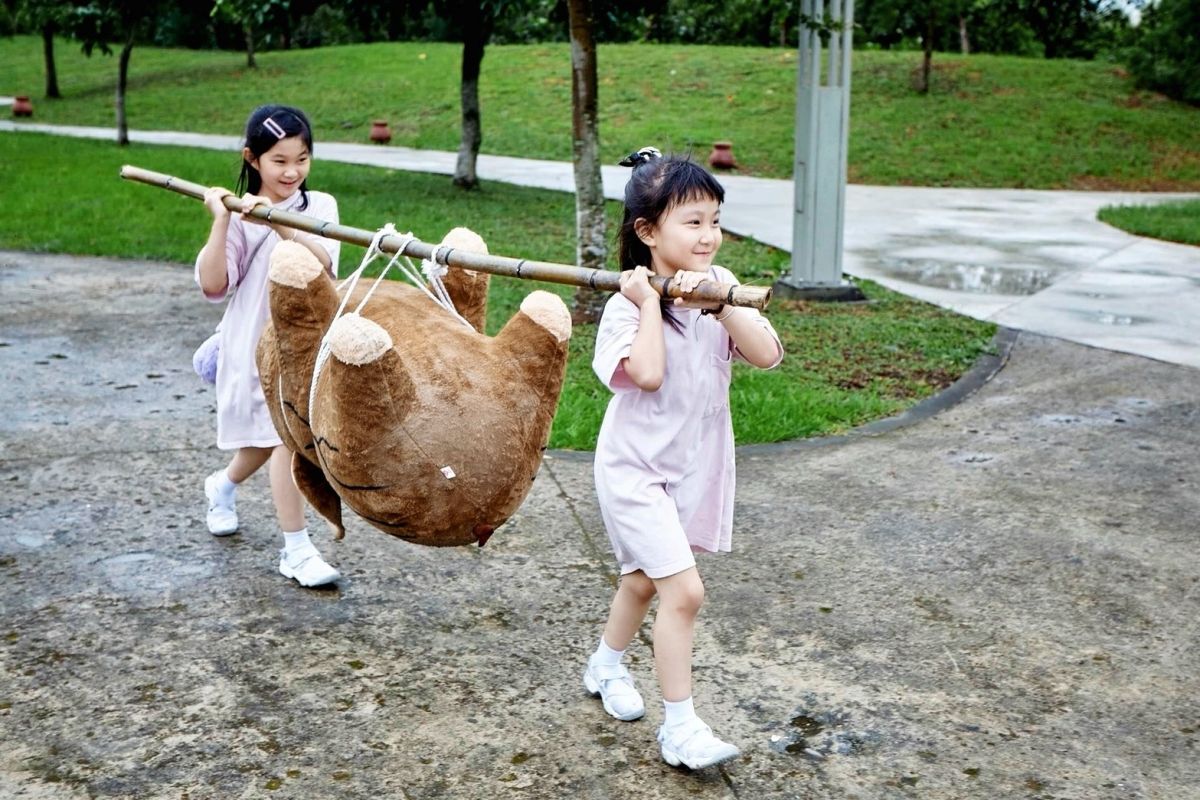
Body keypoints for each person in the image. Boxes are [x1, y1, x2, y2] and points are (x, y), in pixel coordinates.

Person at [584, 147, 784, 770]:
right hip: (635, 471)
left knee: (644, 580)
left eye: (714, 220)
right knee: (685, 593)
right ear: (647, 232)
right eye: (692, 222)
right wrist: (650, 304)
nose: (709, 235)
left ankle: (604, 665)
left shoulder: (719, 289)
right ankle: (681, 727)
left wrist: (722, 302)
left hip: (691, 467)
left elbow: (768, 354)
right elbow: (644, 374)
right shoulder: (623, 309)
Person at [194, 104, 341, 588]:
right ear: (252, 159)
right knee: (267, 441)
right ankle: (291, 545)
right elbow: (214, 284)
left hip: (301, 346)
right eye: (279, 160)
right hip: (251, 346)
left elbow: (323, 264)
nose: (293, 171)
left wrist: (279, 221)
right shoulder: (238, 216)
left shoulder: (320, 208)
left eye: (302, 158)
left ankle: (275, 533)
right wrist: (221, 220)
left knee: (285, 441)